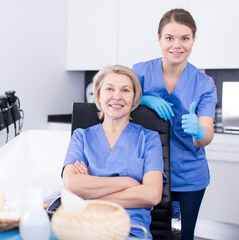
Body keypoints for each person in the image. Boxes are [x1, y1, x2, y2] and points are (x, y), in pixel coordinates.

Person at [132, 8, 217, 240]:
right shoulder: (139, 72)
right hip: (144, 172)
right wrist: (144, 99)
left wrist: (199, 131)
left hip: (188, 176)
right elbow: (118, 104)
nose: (176, 45)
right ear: (158, 39)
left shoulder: (204, 84)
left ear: (193, 39)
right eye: (169, 37)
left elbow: (206, 133)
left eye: (184, 38)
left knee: (181, 236)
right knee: (143, 234)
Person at [62, 65, 165, 239]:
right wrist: (128, 182)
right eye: (109, 89)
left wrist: (89, 198)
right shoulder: (81, 137)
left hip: (129, 229)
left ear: (134, 98)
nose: (117, 96)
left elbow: (152, 195)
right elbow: (72, 185)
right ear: (99, 95)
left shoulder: (149, 139)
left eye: (125, 90)